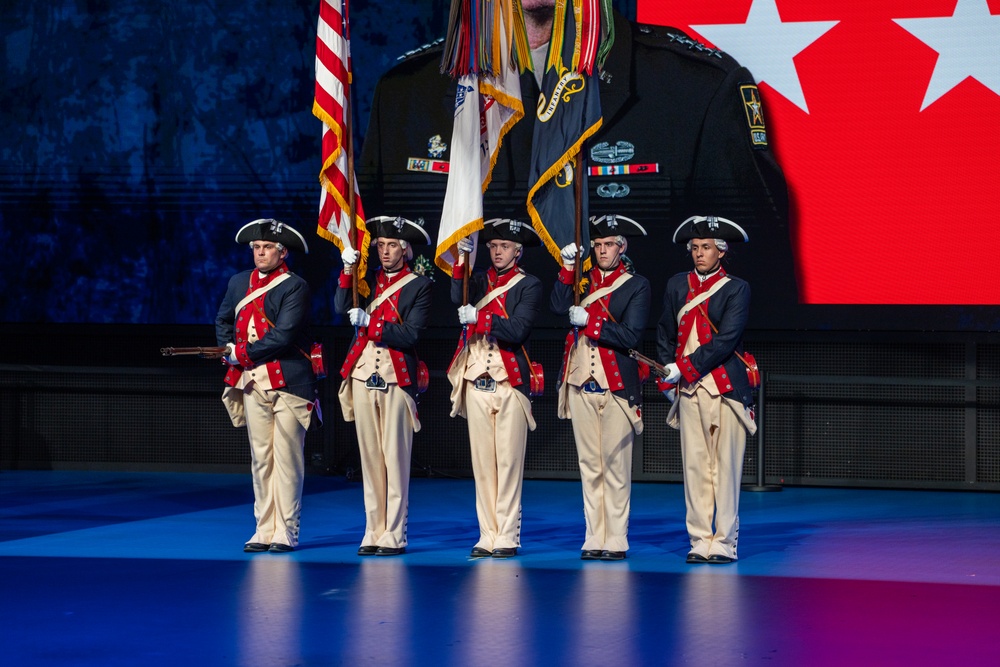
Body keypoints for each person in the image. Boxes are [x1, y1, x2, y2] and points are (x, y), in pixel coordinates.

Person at [358, 1, 794, 327]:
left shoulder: (698, 90)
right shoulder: (405, 94)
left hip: (633, 414)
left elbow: (761, 301)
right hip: (446, 416)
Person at [656, 215, 758, 564]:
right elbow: (664, 333)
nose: (700, 254)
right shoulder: (676, 285)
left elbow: (727, 340)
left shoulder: (736, 288)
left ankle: (725, 542)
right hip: (689, 392)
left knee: (725, 469)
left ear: (721, 252)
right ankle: (700, 539)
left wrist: (682, 367)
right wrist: (667, 374)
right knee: (696, 468)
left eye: (707, 248)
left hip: (726, 391)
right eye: (696, 248)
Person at [216, 218, 320, 553]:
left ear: (282, 251)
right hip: (251, 381)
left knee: (287, 459)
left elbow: (284, 335)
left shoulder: (295, 286)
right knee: (261, 458)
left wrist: (240, 353)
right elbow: (223, 319)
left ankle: (285, 530)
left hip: (289, 382)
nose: (260, 253)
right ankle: (263, 527)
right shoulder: (237, 282)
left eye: (267, 248)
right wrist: (228, 351)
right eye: (256, 248)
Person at [550, 214, 650, 561]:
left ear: (621, 248)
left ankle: (617, 538)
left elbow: (630, 335)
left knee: (615, 465)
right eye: (598, 245)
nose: (603, 250)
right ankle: (594, 535)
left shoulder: (637, 285)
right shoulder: (582, 280)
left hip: (616, 386)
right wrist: (566, 268)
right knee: (589, 464)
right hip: (580, 383)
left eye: (609, 244)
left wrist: (590, 322)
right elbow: (557, 305)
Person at [335, 215, 433, 557]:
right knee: (371, 457)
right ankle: (372, 528)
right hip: (363, 374)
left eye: (392, 245)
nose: (385, 251)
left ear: (405, 249)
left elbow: (410, 335)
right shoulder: (367, 281)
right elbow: (338, 306)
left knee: (394, 457)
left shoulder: (418, 285)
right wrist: (348, 272)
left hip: (395, 376)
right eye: (380, 246)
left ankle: (394, 532)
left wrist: (372, 324)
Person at [447, 218, 543, 558]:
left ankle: (507, 534)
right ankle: (486, 533)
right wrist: (461, 261)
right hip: (476, 380)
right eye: (492, 246)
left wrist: (481, 318)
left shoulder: (528, 285)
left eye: (503, 247)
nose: (497, 251)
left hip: (509, 382)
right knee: (483, 463)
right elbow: (453, 296)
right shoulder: (478, 281)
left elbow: (517, 330)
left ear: (517, 252)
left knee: (508, 462)